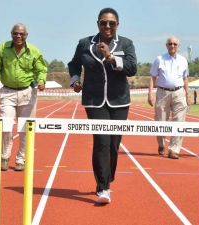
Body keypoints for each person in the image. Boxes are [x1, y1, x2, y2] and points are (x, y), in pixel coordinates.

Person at [68, 8, 137, 204]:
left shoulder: (126, 43)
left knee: (114, 144)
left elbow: (132, 69)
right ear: (97, 24)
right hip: (94, 100)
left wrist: (112, 57)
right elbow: (74, 64)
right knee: (101, 142)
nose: (107, 26)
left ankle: (107, 177)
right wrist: (75, 81)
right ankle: (103, 187)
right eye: (103, 23)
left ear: (117, 25)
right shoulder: (84, 43)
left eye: (111, 23)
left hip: (119, 100)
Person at [0, 23, 47, 171]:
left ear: (26, 36)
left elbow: (41, 68)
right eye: (16, 33)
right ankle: (4, 156)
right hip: (7, 92)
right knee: (6, 126)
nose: (18, 36)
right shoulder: (3, 48)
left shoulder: (33, 51)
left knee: (25, 129)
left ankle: (21, 159)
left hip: (27, 92)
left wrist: (41, 81)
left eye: (22, 34)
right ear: (11, 34)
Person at [148, 36, 191, 159]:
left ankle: (174, 149)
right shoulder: (159, 59)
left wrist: (188, 95)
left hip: (179, 92)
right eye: (170, 44)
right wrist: (150, 94)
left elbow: (185, 79)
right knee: (161, 122)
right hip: (163, 92)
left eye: (175, 44)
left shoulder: (183, 60)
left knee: (179, 122)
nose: (172, 46)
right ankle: (161, 144)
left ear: (179, 46)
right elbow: (152, 77)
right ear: (166, 45)